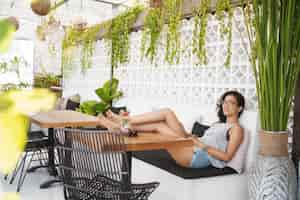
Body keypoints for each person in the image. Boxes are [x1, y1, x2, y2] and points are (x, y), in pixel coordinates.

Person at [98, 90, 245, 170]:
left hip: (197, 156)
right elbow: (201, 140)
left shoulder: (236, 129)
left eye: (231, 103)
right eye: (224, 102)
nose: (226, 105)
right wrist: (190, 136)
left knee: (167, 113)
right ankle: (123, 127)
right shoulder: (217, 124)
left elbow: (227, 157)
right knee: (159, 126)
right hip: (192, 146)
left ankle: (125, 122)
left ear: (239, 108)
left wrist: (201, 145)